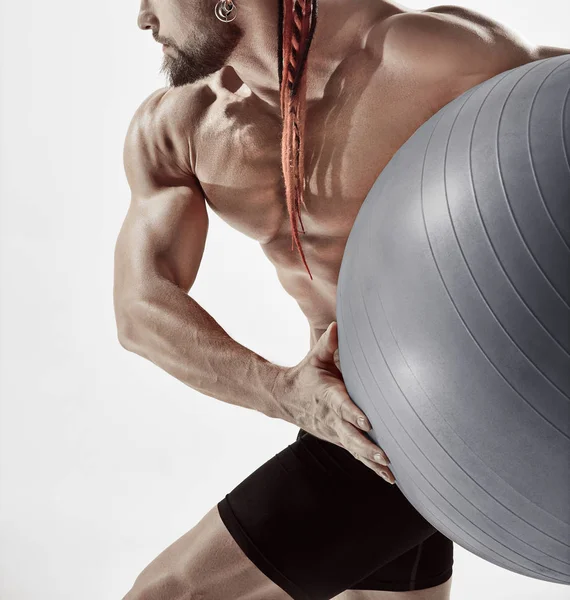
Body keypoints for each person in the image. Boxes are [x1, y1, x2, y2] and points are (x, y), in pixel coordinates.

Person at [114, 1, 569, 598]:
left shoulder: (430, 58)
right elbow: (140, 309)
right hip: (358, 425)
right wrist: (285, 394)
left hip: (472, 413)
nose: (143, 18)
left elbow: (553, 112)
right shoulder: (180, 127)